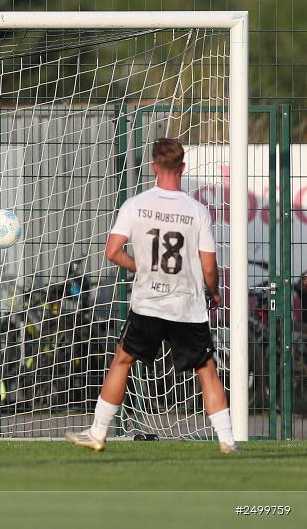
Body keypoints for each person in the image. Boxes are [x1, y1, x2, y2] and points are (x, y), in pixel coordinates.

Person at [66, 138, 237, 453]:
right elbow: (209, 267)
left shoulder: (136, 205)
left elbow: (113, 252)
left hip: (148, 303)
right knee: (206, 370)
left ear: (154, 167)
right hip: (186, 305)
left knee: (122, 360)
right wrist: (213, 293)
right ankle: (227, 441)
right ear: (182, 167)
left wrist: (140, 267)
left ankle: (98, 433)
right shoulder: (197, 210)